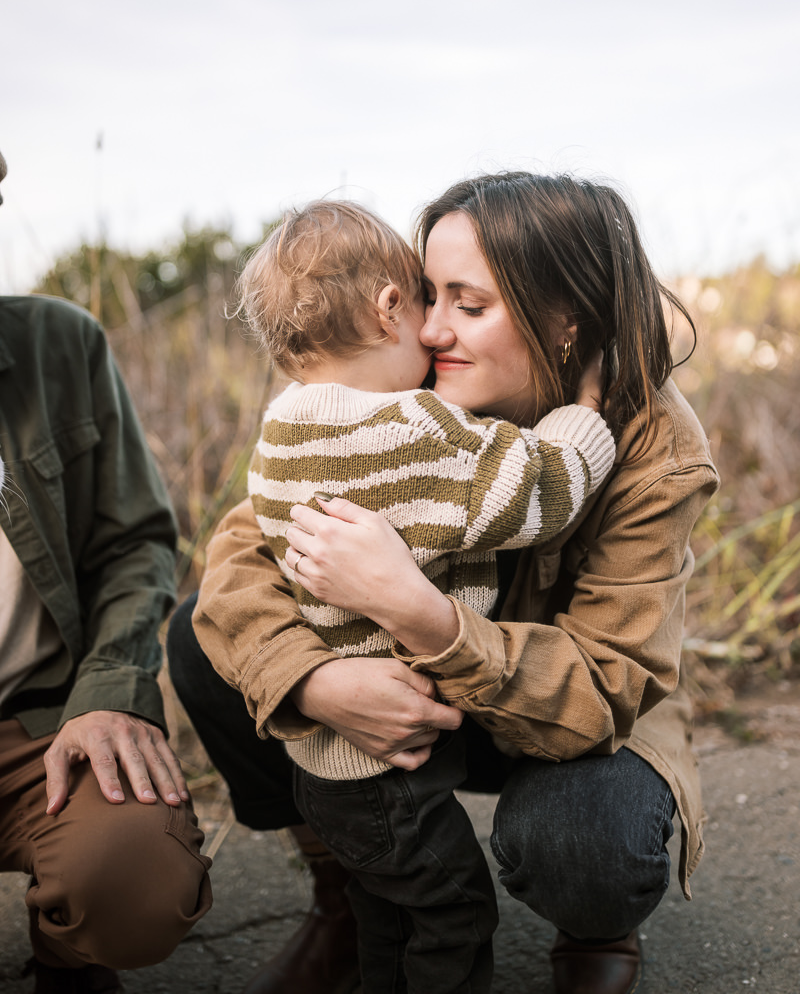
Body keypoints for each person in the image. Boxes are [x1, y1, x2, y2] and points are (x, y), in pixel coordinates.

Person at [168, 171, 719, 994]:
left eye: (470, 304)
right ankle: (351, 887)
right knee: (202, 638)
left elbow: (604, 686)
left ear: (565, 320)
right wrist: (312, 682)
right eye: (429, 294)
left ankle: (595, 928)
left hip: (570, 709)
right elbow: (244, 551)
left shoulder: (656, 445)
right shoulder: (402, 376)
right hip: (403, 707)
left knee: (583, 839)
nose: (430, 327)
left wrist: (415, 609)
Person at [235, 199, 615, 991]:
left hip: (325, 757)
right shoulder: (416, 429)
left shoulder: (279, 434)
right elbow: (539, 490)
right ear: (388, 308)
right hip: (397, 756)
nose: (436, 330)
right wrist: (584, 416)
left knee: (390, 911)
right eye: (426, 300)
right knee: (451, 912)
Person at [0, 150, 211, 994]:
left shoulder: (59, 343)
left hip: (42, 719)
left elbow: (136, 544)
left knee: (133, 880)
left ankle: (72, 963)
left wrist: (110, 693)